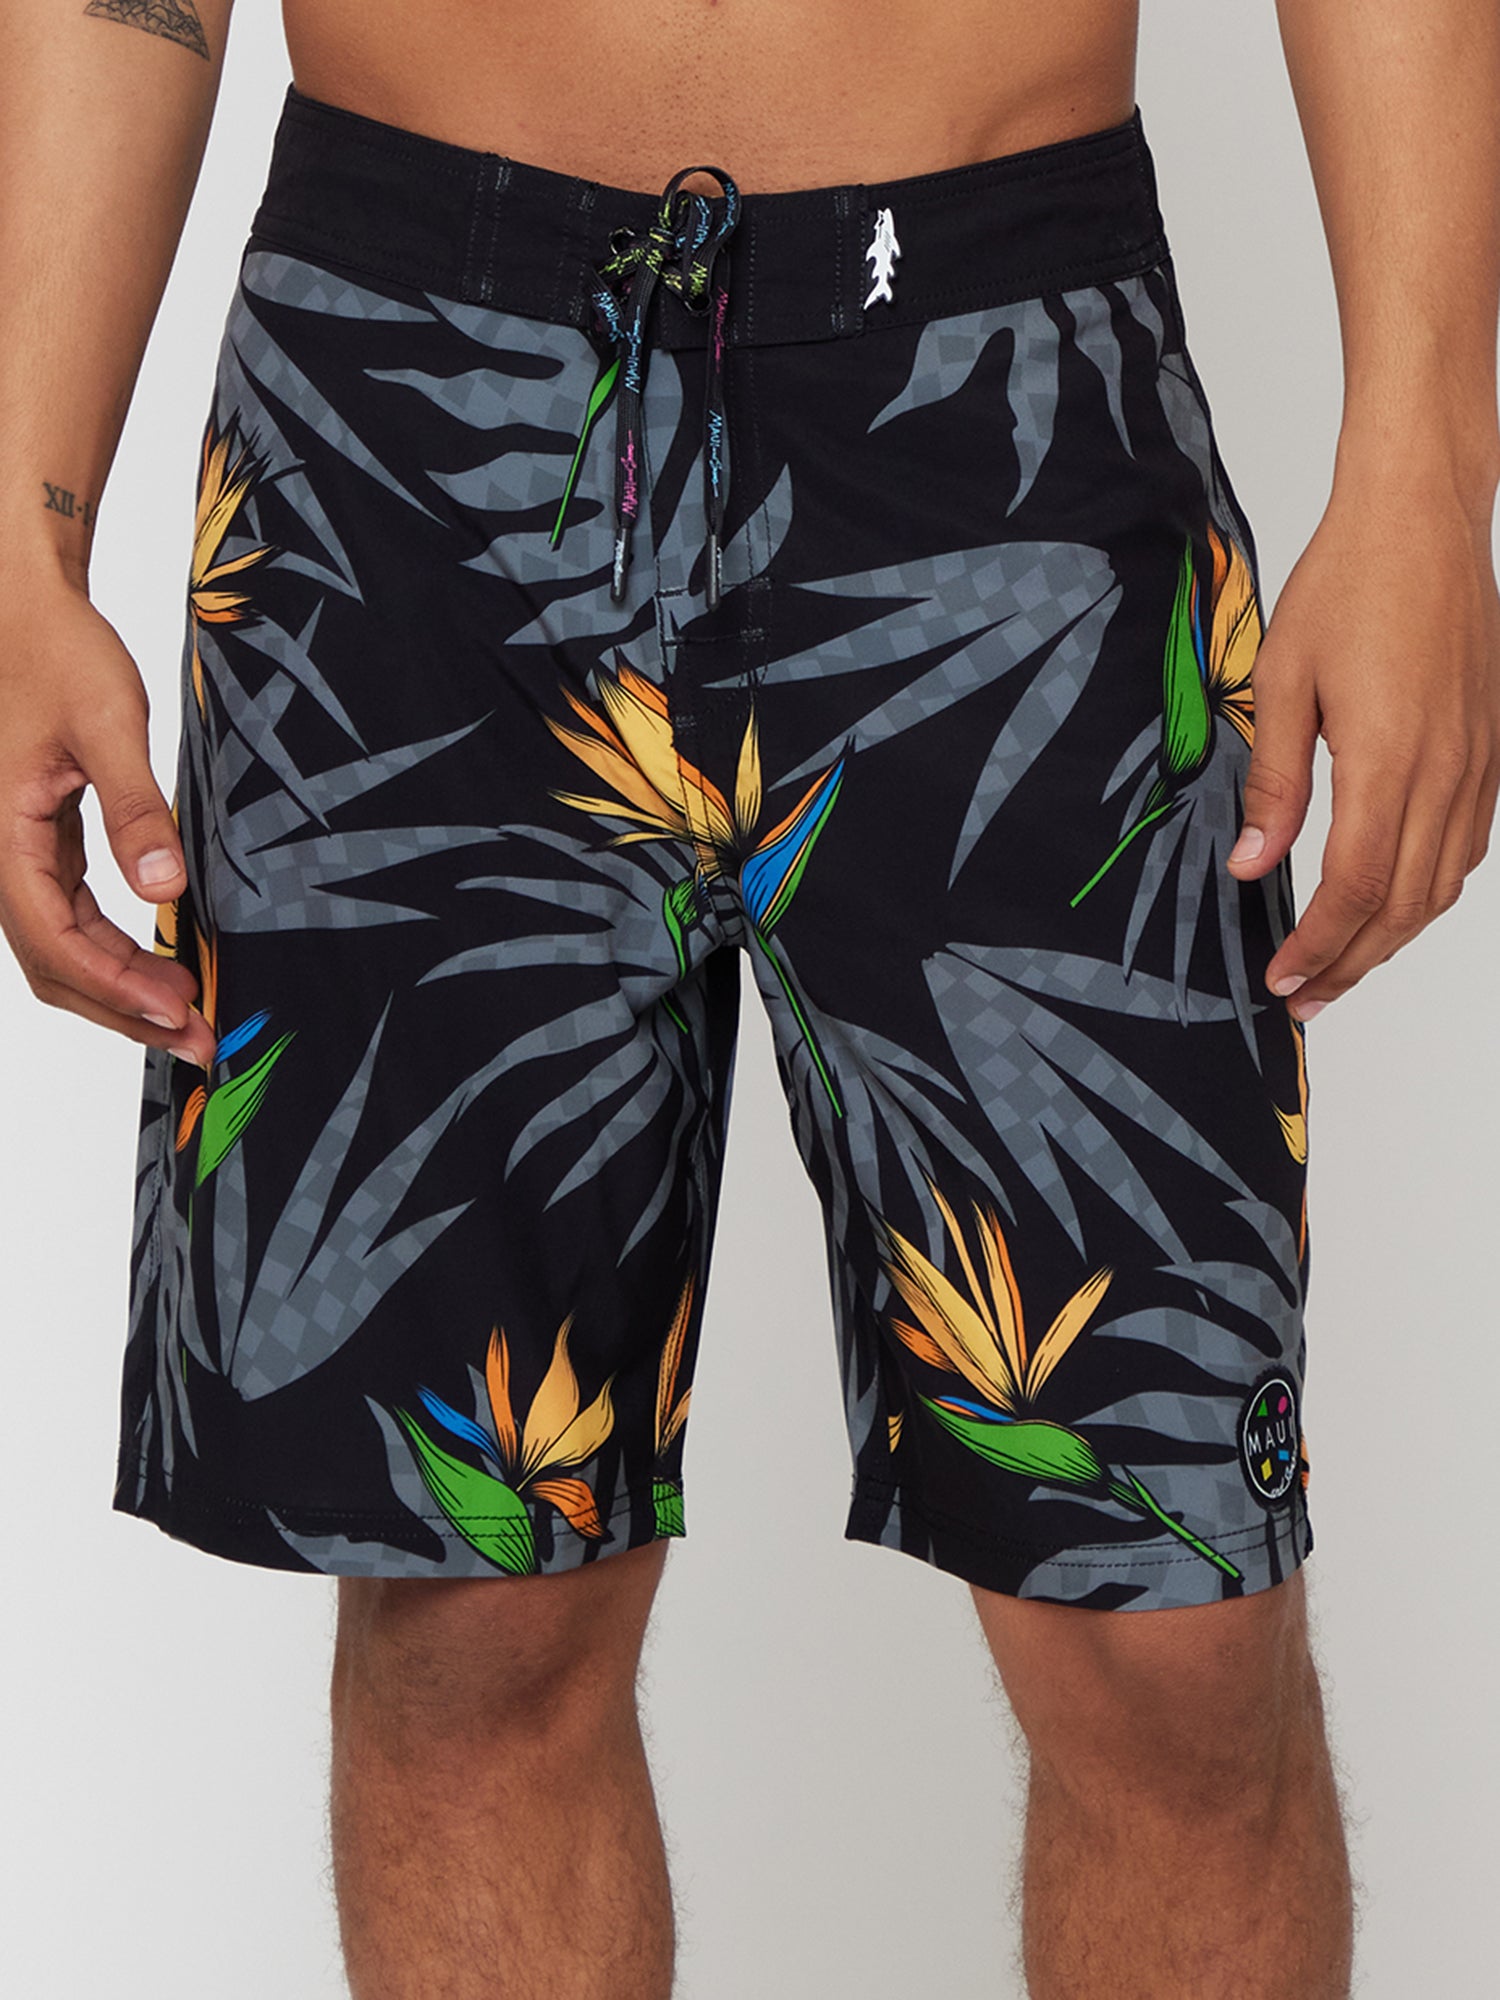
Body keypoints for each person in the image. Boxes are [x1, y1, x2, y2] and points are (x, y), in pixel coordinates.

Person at [2, 1, 1497, 1994]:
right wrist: (24, 514)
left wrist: (1424, 460)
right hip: (405, 410)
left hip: (1005, 387)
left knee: (1172, 1617)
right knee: (468, 1611)